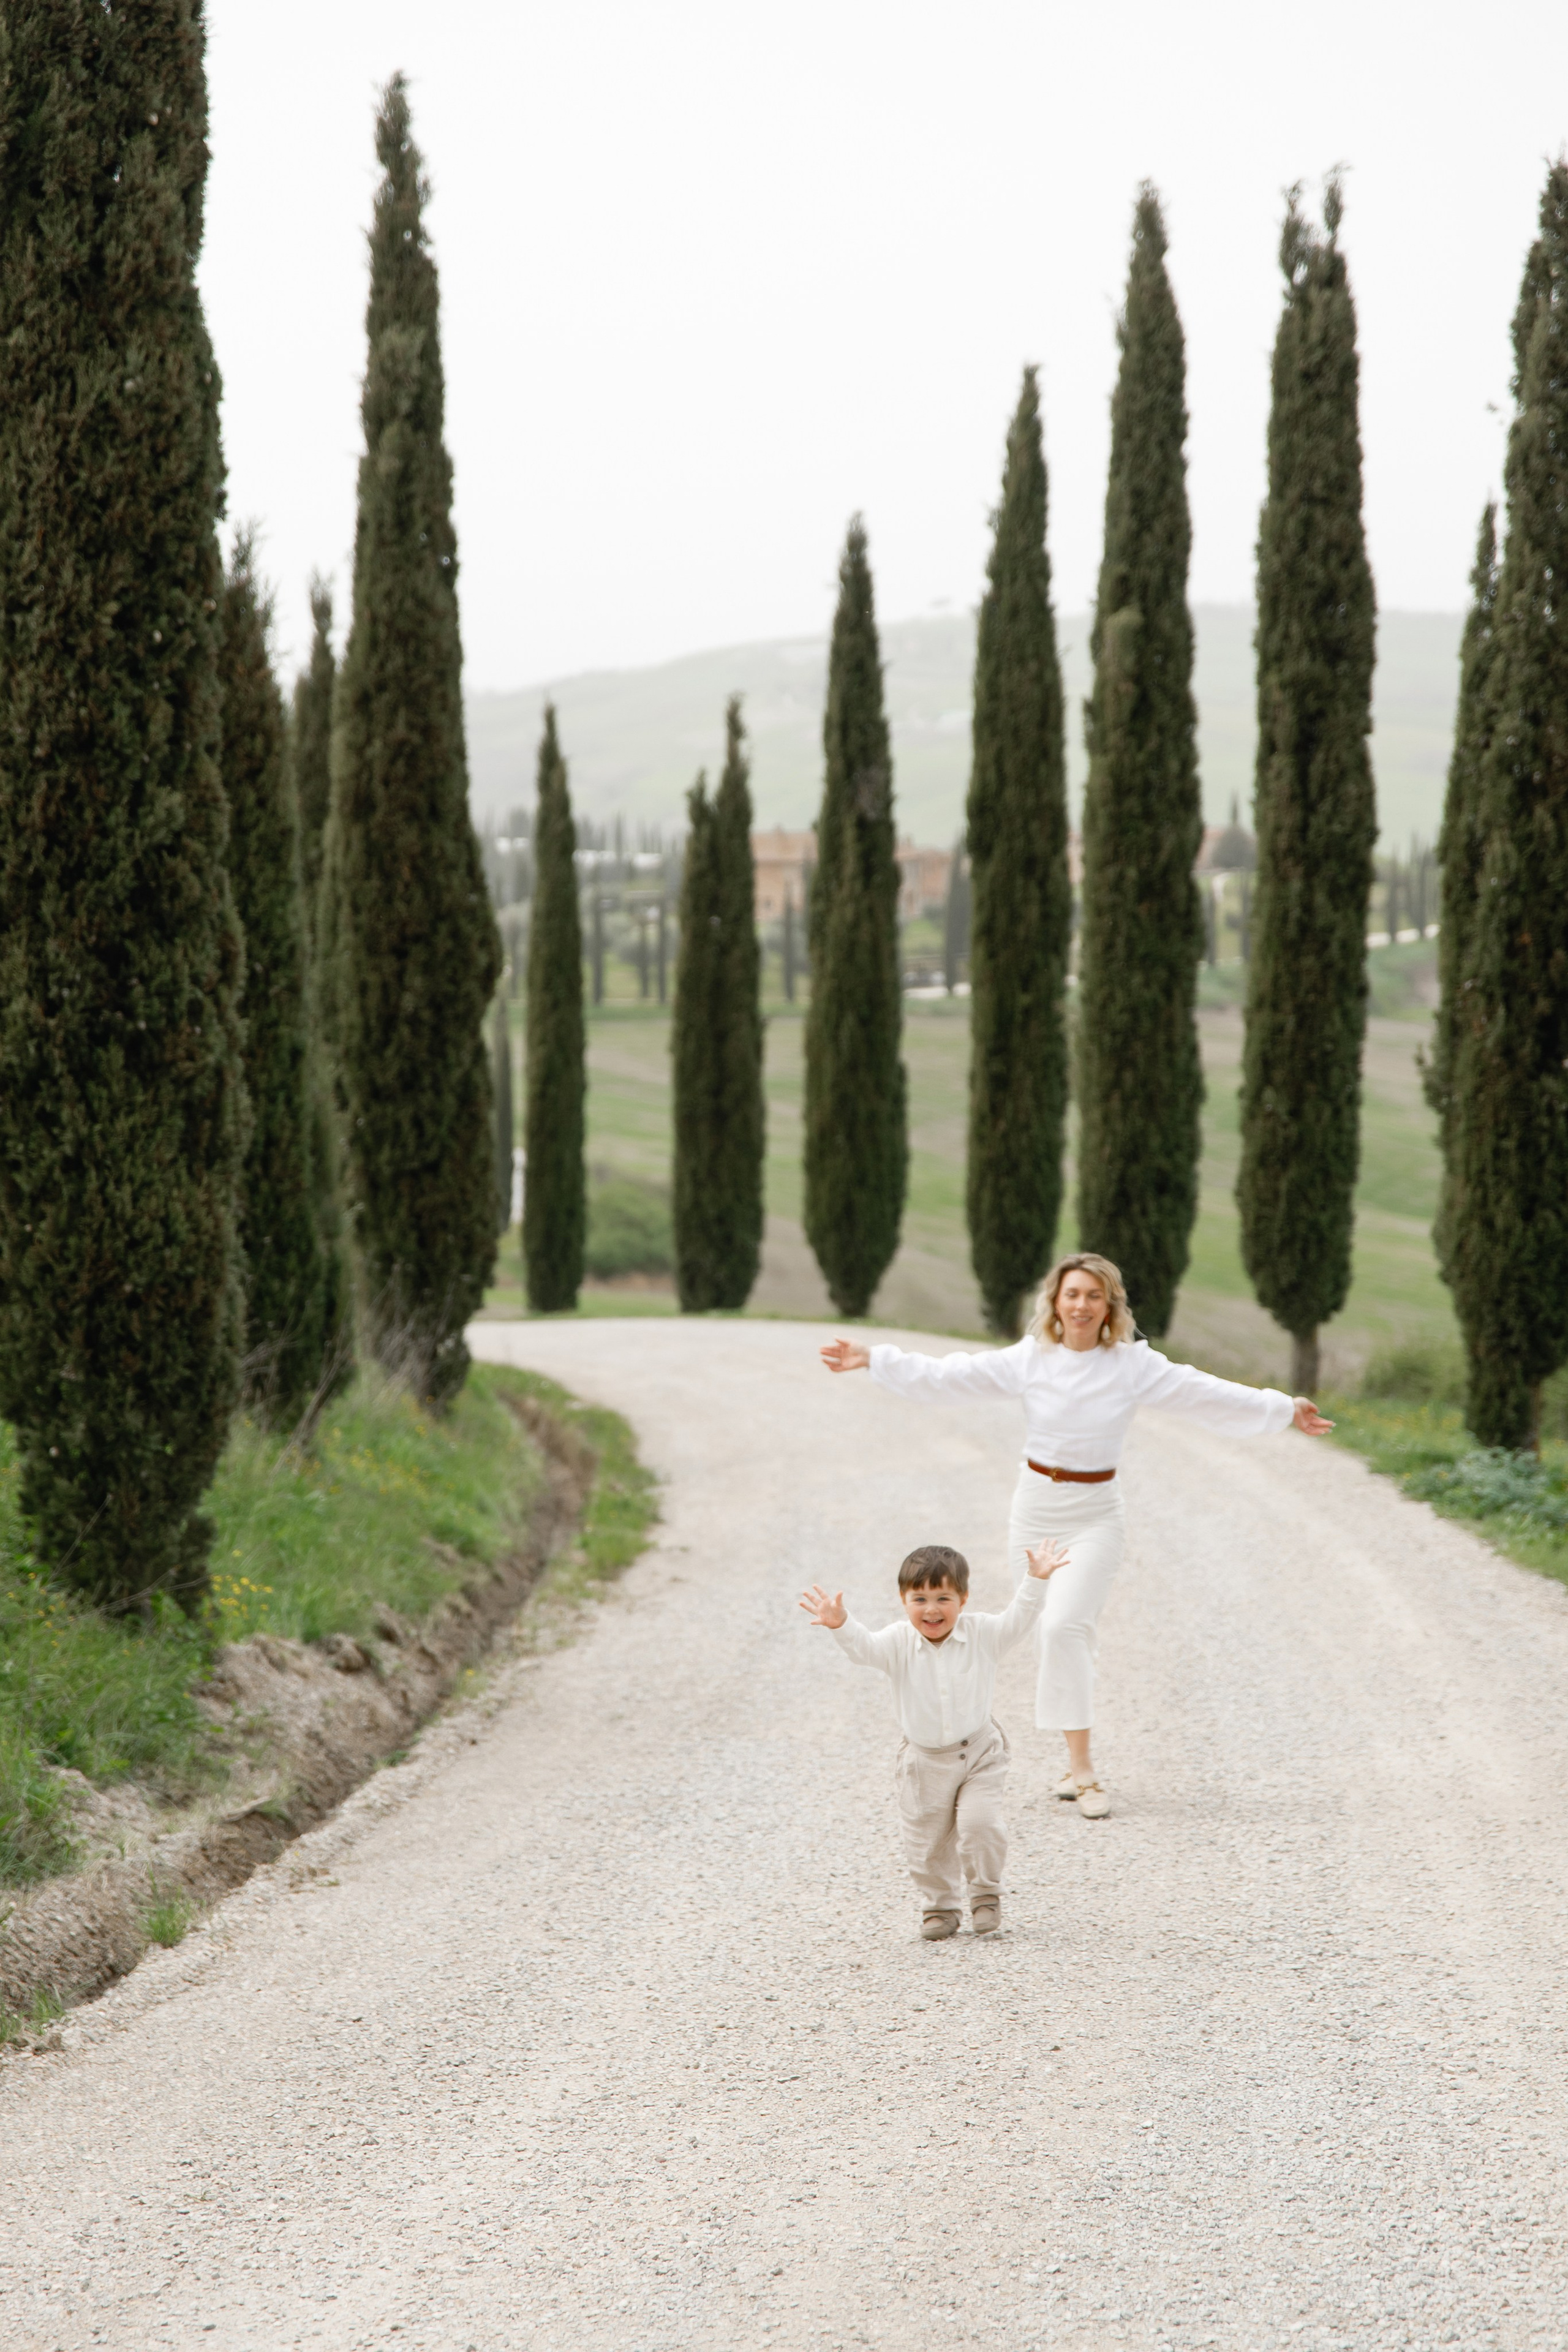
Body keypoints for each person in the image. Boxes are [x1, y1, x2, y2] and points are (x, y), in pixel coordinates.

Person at [820, 1251, 1333, 1820]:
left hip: (1095, 1514)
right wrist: (875, 1358)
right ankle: (1062, 1762)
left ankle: (1084, 1772)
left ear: (1109, 1305)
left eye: (1094, 1295)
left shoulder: (1132, 1365)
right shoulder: (1032, 1359)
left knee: (1066, 1624)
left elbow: (1202, 1391)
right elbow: (952, 1374)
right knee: (1051, 1632)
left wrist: (1283, 1408)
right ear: (1056, 1303)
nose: (1082, 1305)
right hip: (1036, 1510)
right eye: (1072, 1295)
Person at [800, 1534, 1065, 1941]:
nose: (932, 1609)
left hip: (979, 1752)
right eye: (919, 1599)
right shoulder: (895, 1642)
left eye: (944, 1598)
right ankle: (940, 1907)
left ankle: (985, 1894)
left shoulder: (984, 1634)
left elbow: (1020, 1618)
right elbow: (864, 1649)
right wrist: (842, 1625)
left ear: (963, 1599)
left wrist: (1036, 1579)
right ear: (904, 1601)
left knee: (981, 1825)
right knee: (926, 1843)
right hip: (924, 1761)